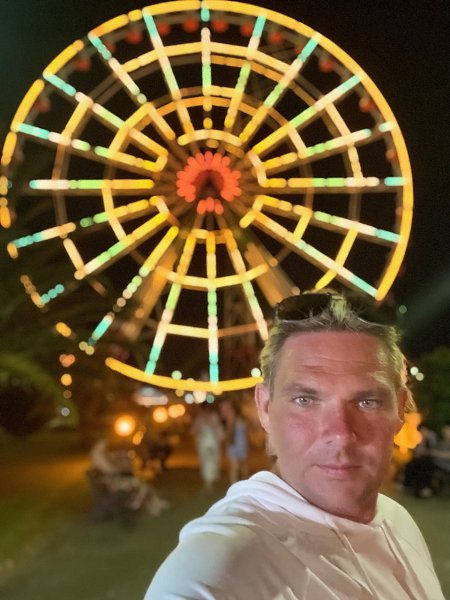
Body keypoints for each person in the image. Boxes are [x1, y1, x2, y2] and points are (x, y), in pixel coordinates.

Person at [144, 290, 444, 599]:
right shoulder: (218, 568)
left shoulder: (398, 521)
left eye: (367, 402)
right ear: (264, 408)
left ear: (400, 410)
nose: (340, 433)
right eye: (305, 400)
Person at [191, 401, 224, 491]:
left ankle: (209, 481)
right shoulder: (206, 417)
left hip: (207, 442)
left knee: (209, 461)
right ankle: (209, 481)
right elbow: (194, 431)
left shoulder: (203, 417)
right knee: (209, 461)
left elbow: (193, 431)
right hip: (209, 442)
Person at [220, 398, 249, 484]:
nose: (223, 410)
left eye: (225, 408)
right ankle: (234, 486)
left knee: (242, 466)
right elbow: (227, 434)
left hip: (241, 444)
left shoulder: (239, 419)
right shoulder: (226, 420)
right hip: (232, 445)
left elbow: (245, 430)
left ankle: (245, 484)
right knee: (234, 466)